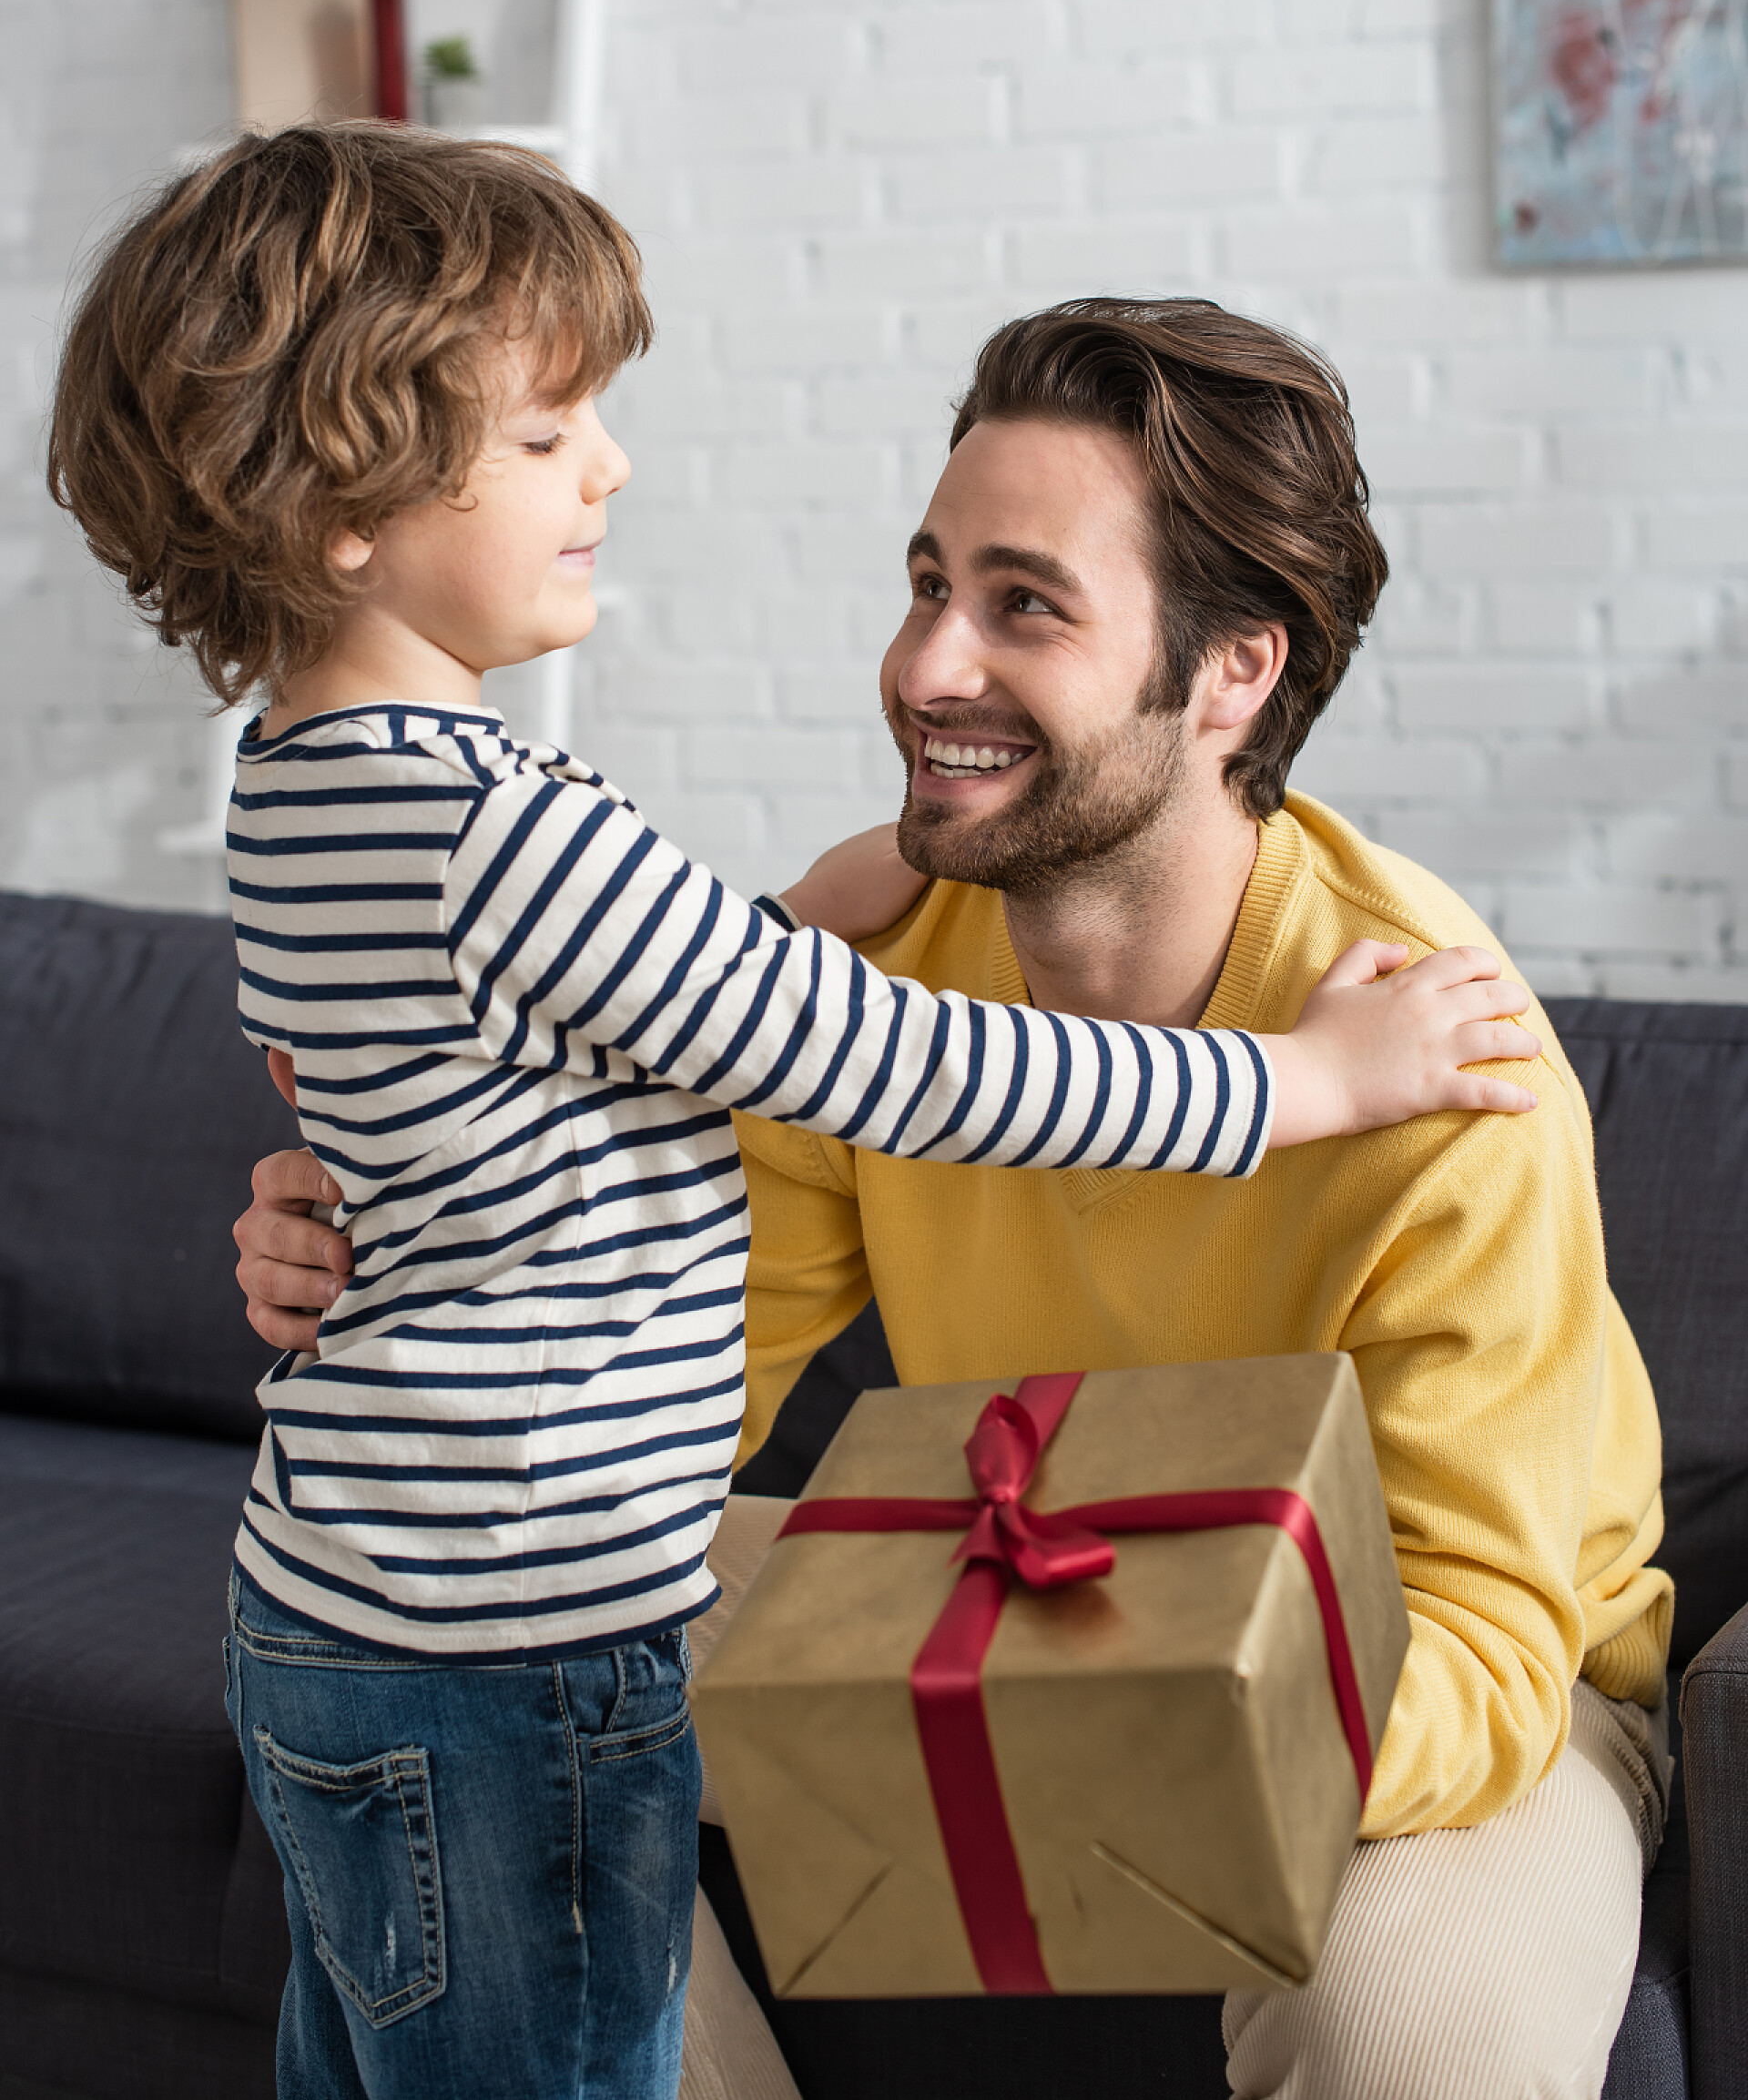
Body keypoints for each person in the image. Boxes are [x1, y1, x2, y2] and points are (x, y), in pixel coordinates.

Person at [47, 135, 1534, 2100]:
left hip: (340, 1600)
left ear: (1233, 671)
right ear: (345, 509)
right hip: (525, 1629)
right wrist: (1309, 1084)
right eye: (552, 426)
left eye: (1023, 601)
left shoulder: (294, 782)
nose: (612, 465)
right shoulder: (504, 814)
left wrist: (403, 1184)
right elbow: (901, 1063)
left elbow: (507, 1051)